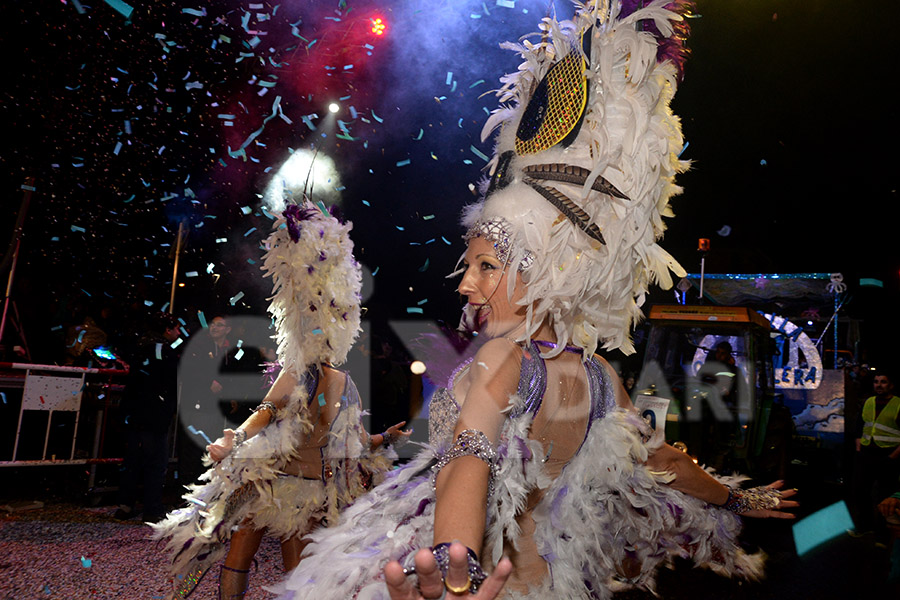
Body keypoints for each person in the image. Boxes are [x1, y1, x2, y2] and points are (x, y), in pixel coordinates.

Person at [273, 3, 796, 599]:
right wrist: (737, 496)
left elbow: (468, 460)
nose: (466, 284)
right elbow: (665, 463)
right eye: (468, 267)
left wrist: (453, 562)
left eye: (486, 267)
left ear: (546, 271)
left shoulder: (502, 362)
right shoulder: (602, 378)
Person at [152, 202, 408, 599]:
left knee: (295, 575)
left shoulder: (344, 383)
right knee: (241, 558)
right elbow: (265, 412)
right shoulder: (296, 375)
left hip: (304, 493)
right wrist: (232, 440)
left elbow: (356, 443)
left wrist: (387, 438)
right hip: (267, 481)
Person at [115, 312, 182, 523]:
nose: (179, 333)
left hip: (134, 411)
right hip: (154, 414)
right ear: (167, 330)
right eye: (176, 329)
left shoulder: (138, 346)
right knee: (156, 462)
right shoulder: (165, 351)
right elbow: (171, 381)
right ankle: (152, 508)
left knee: (133, 459)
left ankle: (125, 505)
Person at [854, 370, 900, 533]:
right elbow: (860, 425)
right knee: (861, 492)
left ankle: (882, 533)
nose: (879, 385)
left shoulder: (898, 404)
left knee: (885, 496)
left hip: (888, 456)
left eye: (883, 382)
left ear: (891, 385)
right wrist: (859, 447)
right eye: (876, 382)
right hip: (867, 453)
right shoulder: (869, 402)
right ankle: (864, 527)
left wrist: (892, 458)